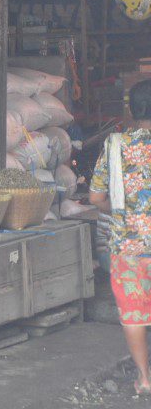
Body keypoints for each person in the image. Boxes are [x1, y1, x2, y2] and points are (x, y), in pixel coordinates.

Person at [90, 80, 151, 395]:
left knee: (134, 311)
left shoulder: (115, 146)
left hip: (128, 247)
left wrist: (122, 211)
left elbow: (96, 197)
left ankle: (145, 378)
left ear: (132, 110)